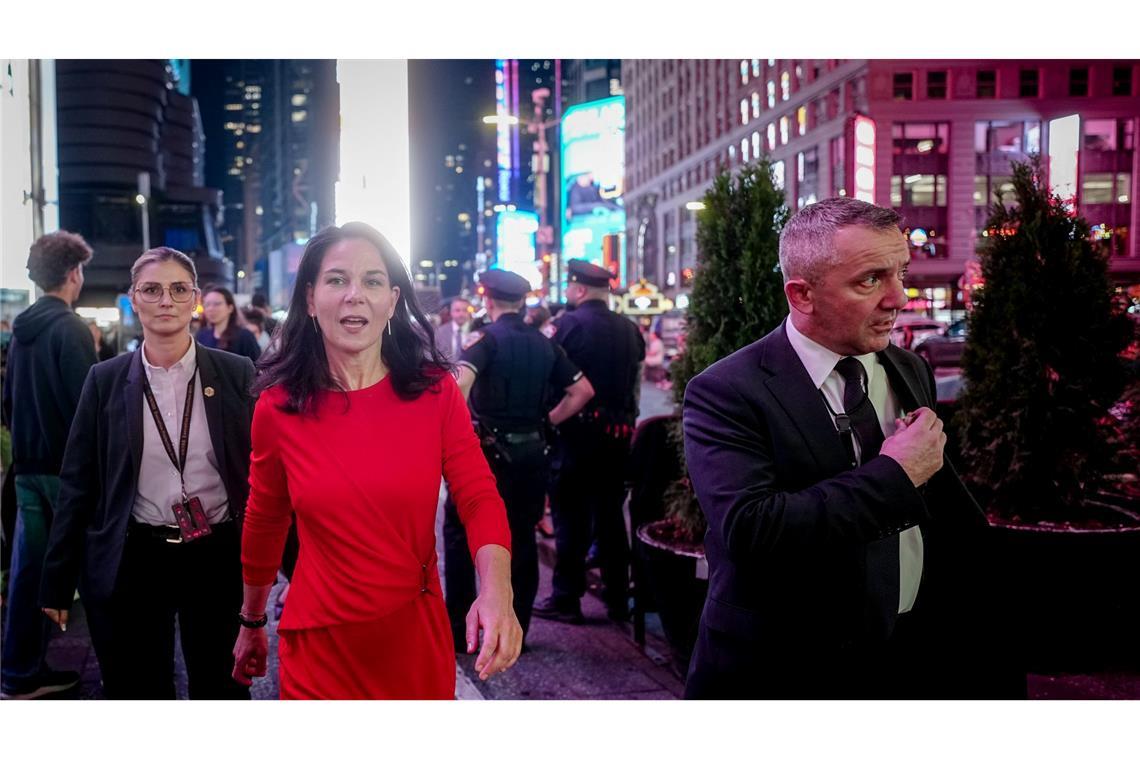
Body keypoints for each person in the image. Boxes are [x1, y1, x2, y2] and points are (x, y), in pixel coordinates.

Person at [681, 197, 995, 699]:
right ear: (802, 294)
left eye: (900, 273)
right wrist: (895, 473)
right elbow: (752, 528)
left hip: (909, 651)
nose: (899, 297)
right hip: (784, 668)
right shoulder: (726, 390)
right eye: (870, 280)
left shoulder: (909, 367)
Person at [231, 222, 521, 699]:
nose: (354, 295)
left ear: (392, 300)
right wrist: (251, 621)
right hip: (318, 644)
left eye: (371, 281)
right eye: (337, 279)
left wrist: (497, 591)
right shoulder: (278, 407)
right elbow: (265, 519)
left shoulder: (435, 392)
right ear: (309, 299)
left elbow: (477, 496)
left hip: (412, 639)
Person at [38, 246, 255, 699]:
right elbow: (77, 483)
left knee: (221, 688)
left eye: (178, 289)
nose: (165, 300)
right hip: (137, 556)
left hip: (215, 555)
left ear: (194, 298)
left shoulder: (236, 374)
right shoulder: (105, 380)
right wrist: (56, 580)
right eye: (151, 290)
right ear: (133, 299)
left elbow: (266, 475)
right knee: (140, 690)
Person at [445, 269, 595, 649]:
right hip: (533, 454)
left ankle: (460, 631)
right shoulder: (545, 343)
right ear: (522, 301)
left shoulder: (485, 340)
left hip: (488, 456)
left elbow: (459, 385)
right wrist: (547, 421)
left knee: (463, 536)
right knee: (522, 539)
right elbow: (581, 391)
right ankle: (517, 631)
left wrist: (455, 436)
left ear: (489, 300)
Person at [1, 231, 97, 699]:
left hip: (26, 468)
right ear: (74, 273)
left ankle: (18, 674)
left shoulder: (20, 332)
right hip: (66, 471)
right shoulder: (71, 329)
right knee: (97, 570)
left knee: (28, 573)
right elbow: (87, 408)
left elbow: (7, 401)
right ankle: (124, 671)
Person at [534, 259, 645, 624]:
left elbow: (548, 378)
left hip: (574, 436)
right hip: (617, 439)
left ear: (579, 289)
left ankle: (567, 598)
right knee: (612, 518)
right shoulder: (631, 329)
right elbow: (635, 384)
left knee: (571, 520)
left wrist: (546, 420)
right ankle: (617, 599)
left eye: (569, 287)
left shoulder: (564, 326)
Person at [198, 285, 262, 363]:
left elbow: (257, 366)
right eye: (207, 305)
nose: (211, 309)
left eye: (217, 304)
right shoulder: (201, 336)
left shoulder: (245, 336)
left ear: (230, 308)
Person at [434, 296, 471, 361]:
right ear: (451, 312)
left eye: (465, 310)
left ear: (469, 312)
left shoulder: (477, 331)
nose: (461, 314)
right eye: (457, 310)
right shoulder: (440, 332)